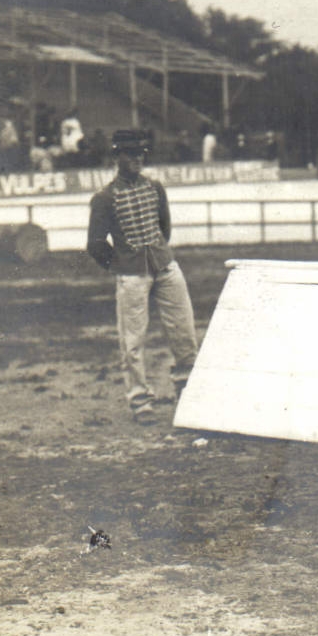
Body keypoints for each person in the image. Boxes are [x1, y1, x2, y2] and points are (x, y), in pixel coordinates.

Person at [86, 129, 201, 423]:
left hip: (165, 266)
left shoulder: (155, 188)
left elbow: (165, 228)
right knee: (133, 340)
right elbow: (96, 244)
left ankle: (186, 386)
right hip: (132, 274)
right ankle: (139, 400)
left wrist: (159, 253)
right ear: (117, 157)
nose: (136, 159)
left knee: (184, 330)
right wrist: (121, 264)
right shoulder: (104, 198)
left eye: (140, 154)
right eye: (129, 154)